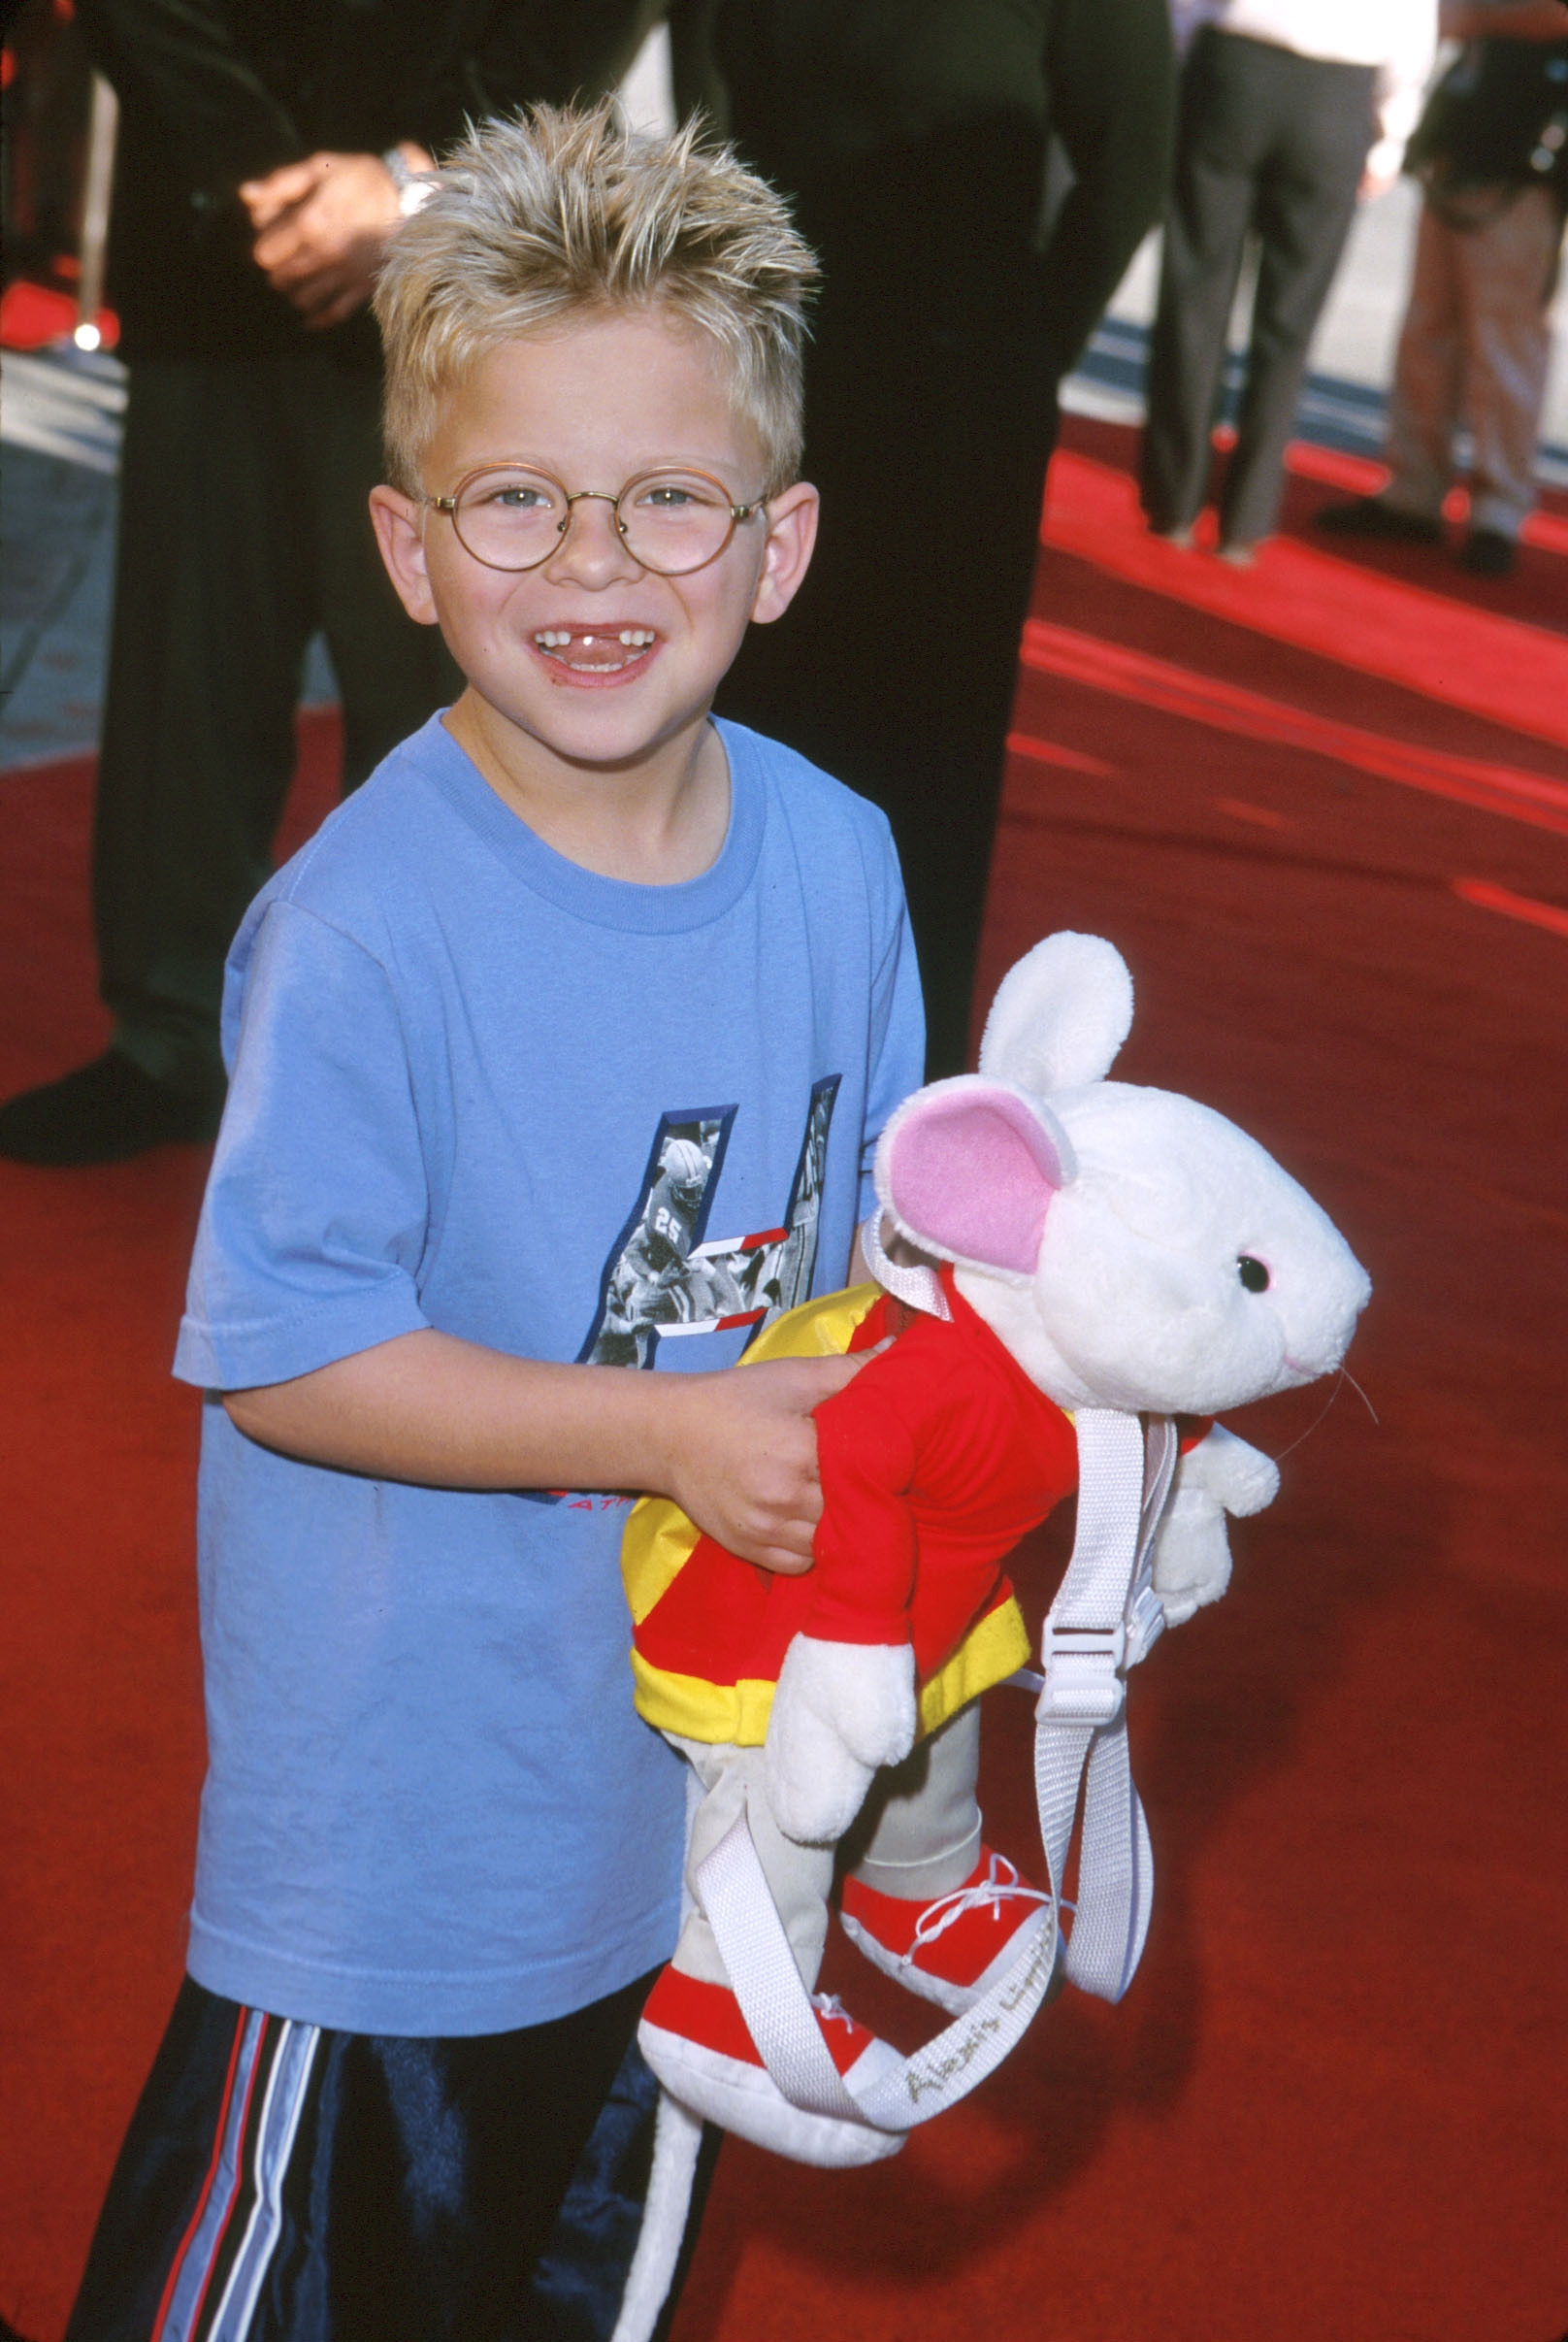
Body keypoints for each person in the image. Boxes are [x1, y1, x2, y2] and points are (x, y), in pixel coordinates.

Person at [63, 100, 925, 2339]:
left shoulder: (838, 865)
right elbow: (286, 1348)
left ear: (779, 540)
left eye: (666, 498)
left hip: (687, 1833)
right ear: (408, 546)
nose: (593, 566)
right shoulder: (355, 930)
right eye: (516, 500)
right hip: (401, 1856)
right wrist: (664, 1433)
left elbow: (872, 1288)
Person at [0, 0, 659, 1168]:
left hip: (462, 281)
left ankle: (428, 1060)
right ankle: (168, 1036)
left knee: (450, 707)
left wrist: (411, 185)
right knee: (186, 685)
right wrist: (275, 182)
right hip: (215, 247)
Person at [693, 0, 1178, 1080]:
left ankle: (900, 1128)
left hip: (960, 409)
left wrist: (1024, 338)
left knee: (929, 787)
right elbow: (707, 124)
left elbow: (1133, 152)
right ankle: (719, 1074)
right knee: (742, 751)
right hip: (774, 395)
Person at [1140, 0, 1436, 563]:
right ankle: (1245, 522)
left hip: (1236, 71)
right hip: (1336, 95)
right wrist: (1392, 132)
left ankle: (1173, 502)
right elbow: (1413, 27)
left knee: (1195, 298)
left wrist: (1175, 59)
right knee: (1290, 324)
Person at [1317, 1, 1568, 577]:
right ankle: (1412, 491)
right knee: (1429, 326)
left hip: (1530, 151)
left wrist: (1474, 18)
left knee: (1505, 343)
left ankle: (1497, 512)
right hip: (1465, 133)